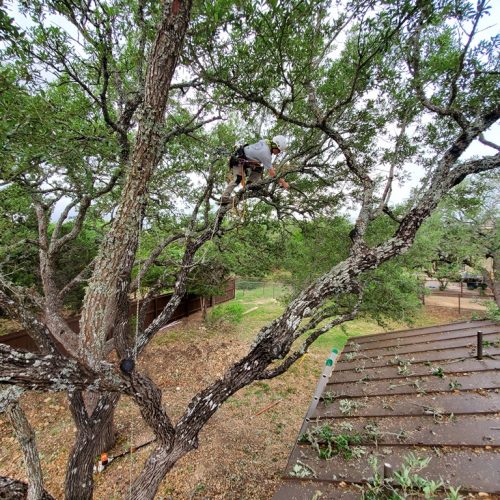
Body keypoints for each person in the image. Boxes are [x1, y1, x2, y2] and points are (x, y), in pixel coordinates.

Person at [220, 135, 290, 204]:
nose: (279, 153)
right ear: (274, 146)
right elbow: (272, 174)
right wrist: (283, 183)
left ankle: (250, 184)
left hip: (246, 159)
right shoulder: (266, 154)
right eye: (279, 150)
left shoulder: (266, 142)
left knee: (258, 168)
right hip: (239, 160)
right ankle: (224, 197)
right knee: (238, 178)